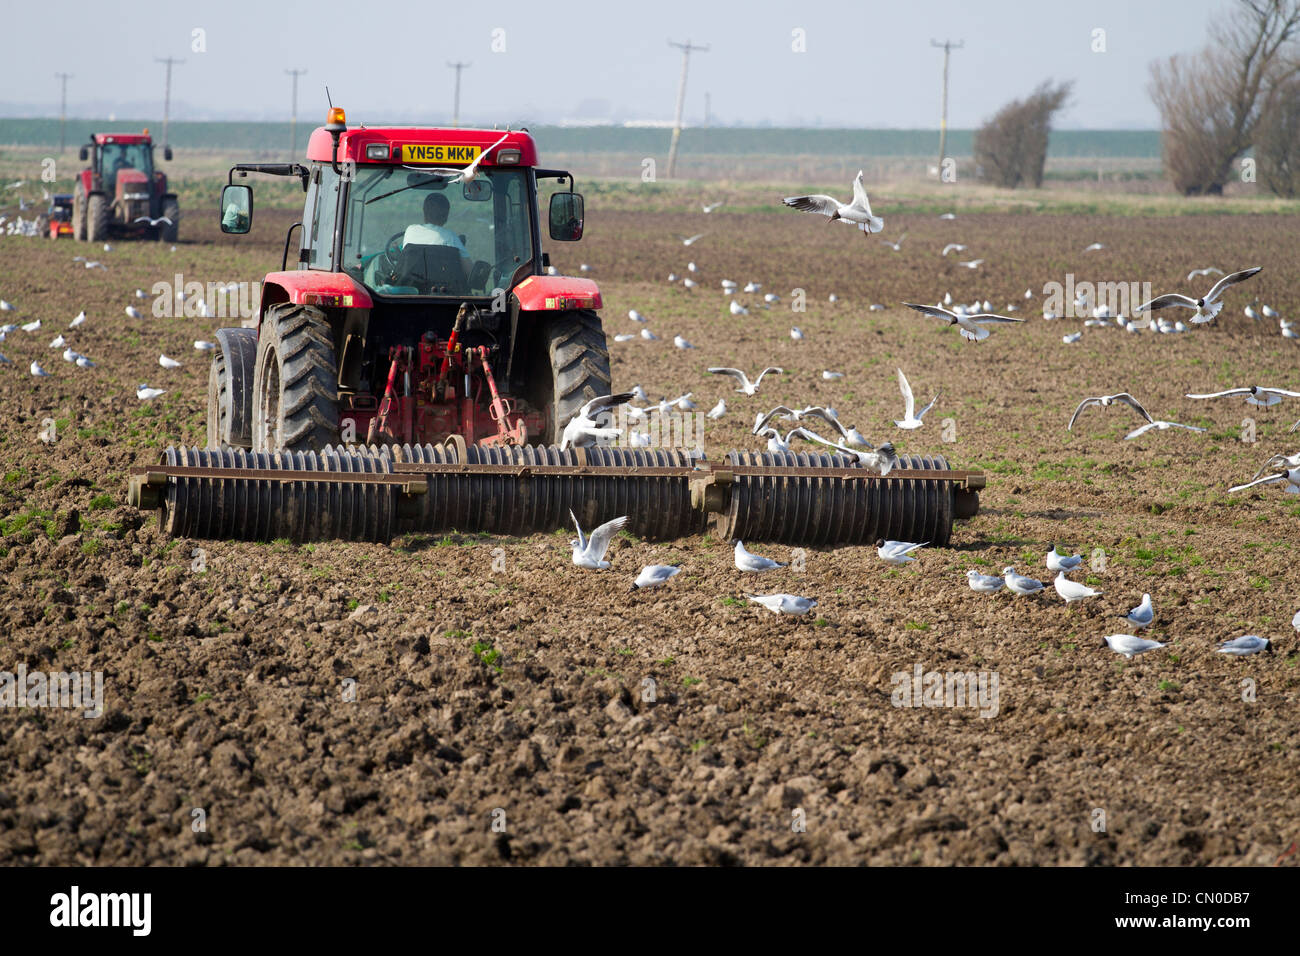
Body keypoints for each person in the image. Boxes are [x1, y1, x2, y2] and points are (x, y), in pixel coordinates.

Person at [402, 193, 470, 280]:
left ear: (424, 212)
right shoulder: (451, 237)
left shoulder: (410, 230)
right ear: (446, 216)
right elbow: (470, 271)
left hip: (413, 289)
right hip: (444, 290)